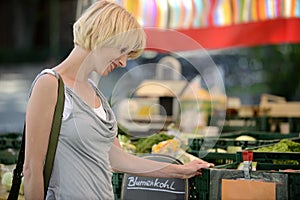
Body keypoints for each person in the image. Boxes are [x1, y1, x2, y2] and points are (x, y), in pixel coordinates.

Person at [23, 1, 214, 199]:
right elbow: (31, 170)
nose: (123, 62)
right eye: (122, 50)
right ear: (102, 36)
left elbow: (119, 159)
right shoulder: (50, 85)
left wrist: (181, 171)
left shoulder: (96, 94)